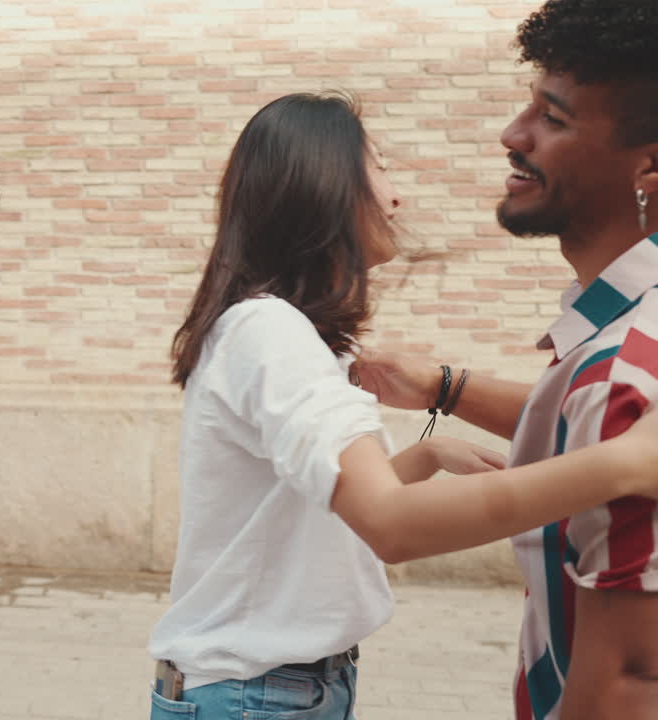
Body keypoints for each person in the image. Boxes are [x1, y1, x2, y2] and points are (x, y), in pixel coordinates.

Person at [148, 91, 658, 720]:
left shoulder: (286, 332)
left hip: (275, 689)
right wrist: (625, 463)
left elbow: (315, 506)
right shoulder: (270, 333)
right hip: (254, 694)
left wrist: (427, 455)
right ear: (324, 183)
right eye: (379, 168)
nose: (395, 198)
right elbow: (390, 526)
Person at [353, 2, 658, 718]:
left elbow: (630, 682)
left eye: (552, 118)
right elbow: (581, 424)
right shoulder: (616, 351)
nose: (512, 135)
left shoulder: (627, 371)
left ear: (648, 166)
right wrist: (445, 388)